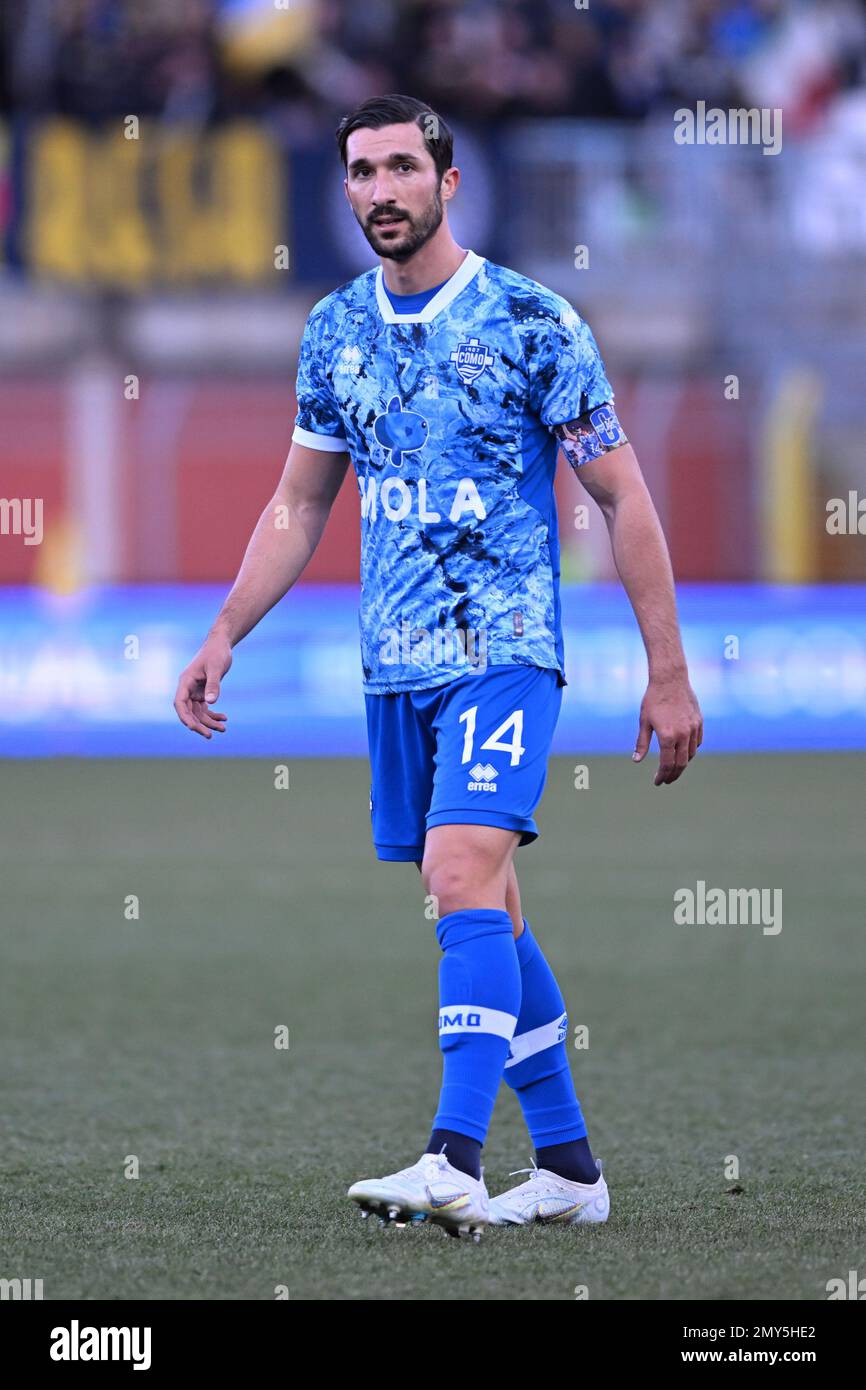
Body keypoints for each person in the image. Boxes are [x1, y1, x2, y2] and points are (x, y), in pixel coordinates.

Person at [173, 93, 703, 1240]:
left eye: (402, 169)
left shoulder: (530, 321)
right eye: (361, 172)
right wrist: (225, 628)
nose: (380, 191)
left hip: (503, 650)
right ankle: (566, 1169)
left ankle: (451, 1157)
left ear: (447, 182)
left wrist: (666, 670)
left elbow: (621, 495)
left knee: (458, 874)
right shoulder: (332, 331)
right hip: (393, 668)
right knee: (488, 910)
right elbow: (298, 500)